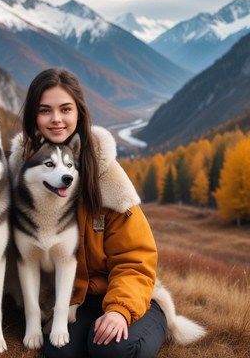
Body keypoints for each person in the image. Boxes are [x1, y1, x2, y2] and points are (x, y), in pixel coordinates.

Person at [17, 68, 167, 358]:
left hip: (123, 291)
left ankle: (155, 319)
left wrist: (120, 311)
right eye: (45, 110)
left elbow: (136, 259)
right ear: (33, 117)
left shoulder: (107, 176)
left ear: (80, 114)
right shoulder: (19, 169)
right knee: (58, 353)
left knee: (112, 349)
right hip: (75, 299)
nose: (56, 119)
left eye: (65, 109)